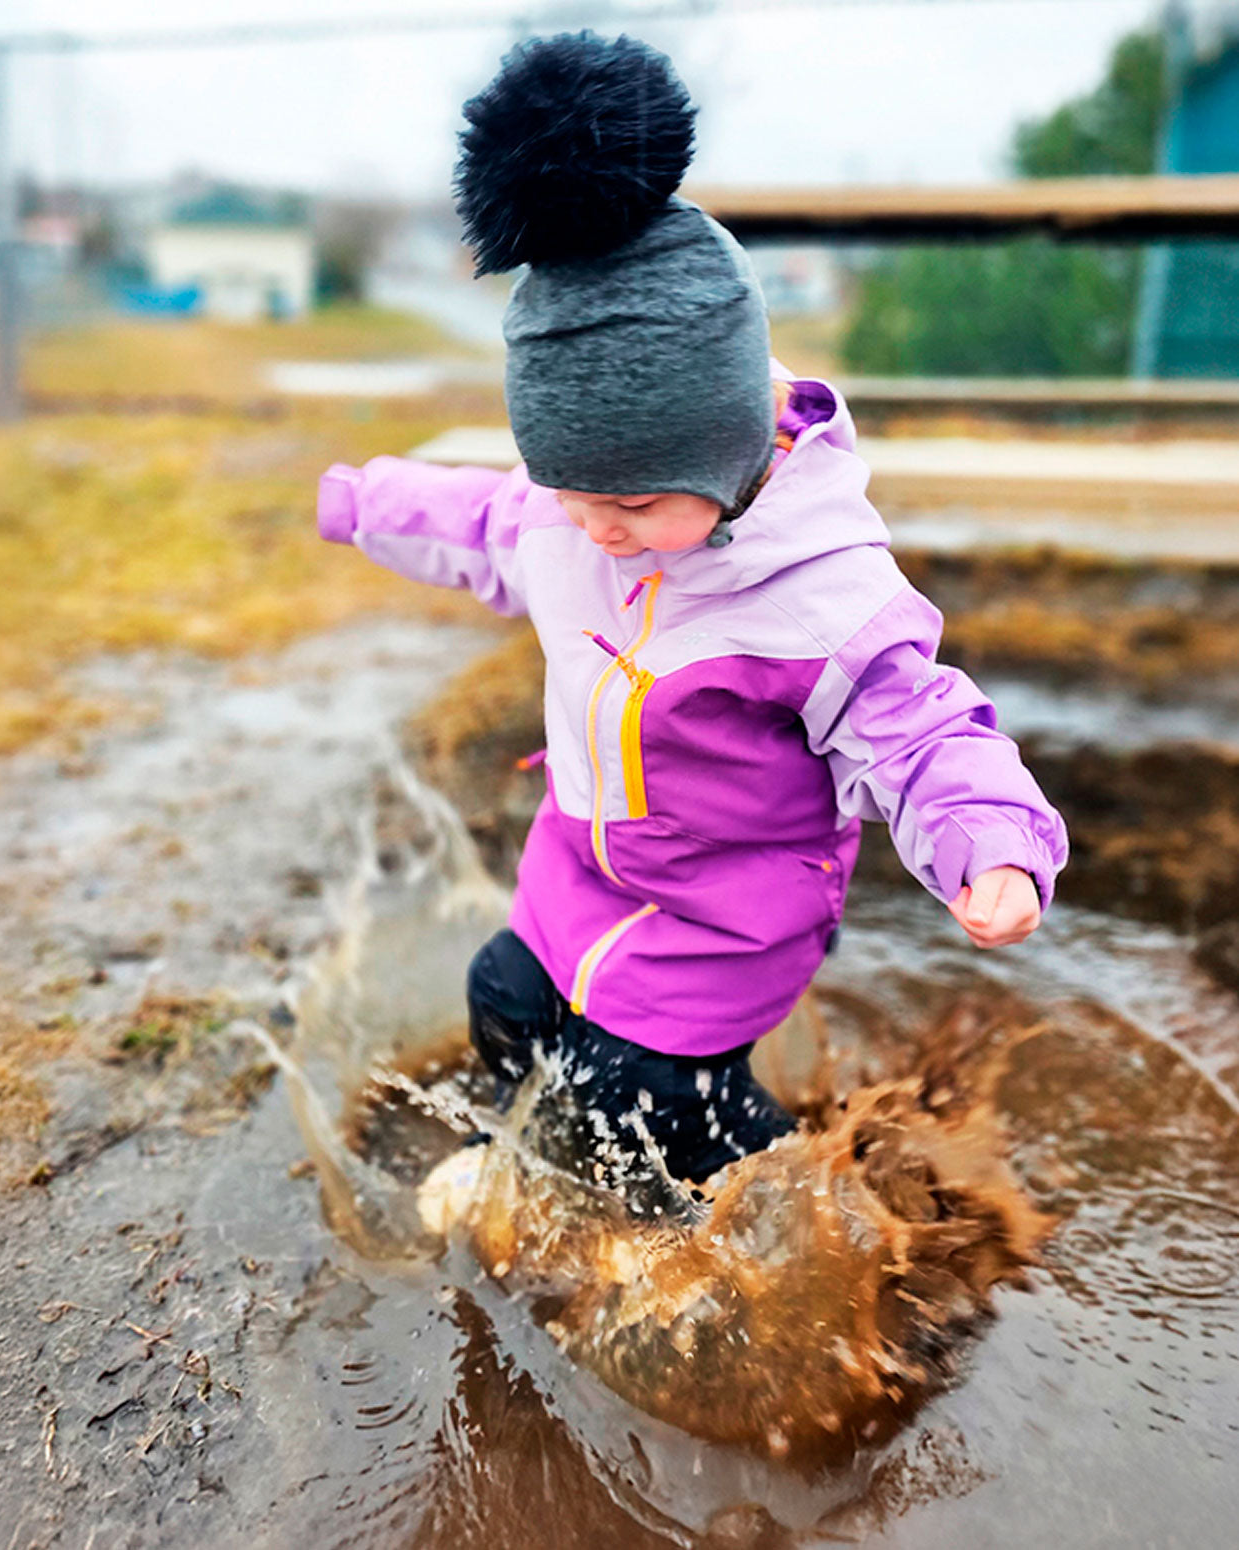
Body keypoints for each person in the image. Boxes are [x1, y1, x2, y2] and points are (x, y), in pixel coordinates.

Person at [317, 31, 1068, 1202]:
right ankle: (533, 1164)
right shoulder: (572, 513)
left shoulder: (819, 596)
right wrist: (369, 499)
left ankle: (788, 1200)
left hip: (726, 916)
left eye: (630, 501)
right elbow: (481, 523)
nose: (594, 528)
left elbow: (919, 732)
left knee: (646, 1099)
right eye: (570, 490)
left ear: (723, 454)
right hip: (582, 867)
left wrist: (991, 843)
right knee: (505, 1000)